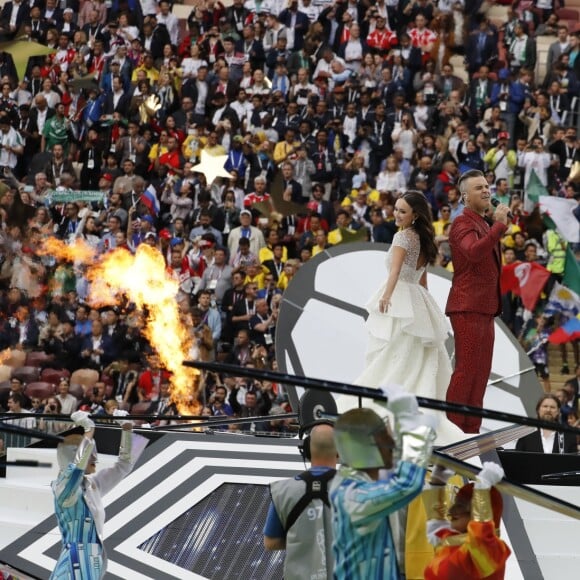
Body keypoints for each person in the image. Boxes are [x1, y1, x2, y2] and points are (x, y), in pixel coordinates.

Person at [347, 190, 463, 444]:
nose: (396, 214)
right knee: (409, 354)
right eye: (396, 209)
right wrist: (426, 306)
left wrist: (386, 297)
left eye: (402, 211)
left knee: (393, 353)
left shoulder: (403, 238)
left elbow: (396, 272)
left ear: (415, 215)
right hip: (417, 298)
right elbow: (422, 278)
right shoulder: (423, 238)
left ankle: (388, 408)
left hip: (400, 295)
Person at [330, 385, 436, 580]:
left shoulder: (356, 482)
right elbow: (407, 484)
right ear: (365, 449)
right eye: (384, 440)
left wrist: (406, 417)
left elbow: (399, 459)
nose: (392, 445)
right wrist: (411, 422)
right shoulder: (352, 497)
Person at [445, 170, 511, 433]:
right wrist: (499, 226)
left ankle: (471, 431)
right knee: (467, 370)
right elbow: (473, 252)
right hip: (468, 305)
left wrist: (495, 226)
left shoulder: (484, 223)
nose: (486, 191)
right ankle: (451, 432)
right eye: (478, 188)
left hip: (484, 308)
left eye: (487, 186)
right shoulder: (462, 223)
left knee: (481, 374)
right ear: (464, 197)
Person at [51, 410, 147, 579]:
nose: (95, 455)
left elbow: (124, 466)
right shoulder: (62, 488)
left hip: (92, 567)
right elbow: (75, 469)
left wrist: (127, 430)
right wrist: (88, 430)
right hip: (72, 569)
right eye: (90, 451)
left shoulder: (91, 485)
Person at [263, 423, 337, 580]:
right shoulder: (358, 489)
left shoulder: (283, 491)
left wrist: (304, 538)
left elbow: (270, 542)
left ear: (307, 451)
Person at [423, 462, 511, 579]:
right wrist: (437, 483)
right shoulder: (453, 542)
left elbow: (482, 540)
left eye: (461, 506)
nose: (451, 511)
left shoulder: (493, 552)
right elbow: (436, 526)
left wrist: (481, 491)